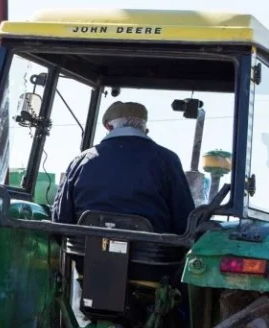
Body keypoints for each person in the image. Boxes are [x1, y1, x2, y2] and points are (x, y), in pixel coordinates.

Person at [52, 101, 195, 235]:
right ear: (144, 126)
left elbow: (60, 218)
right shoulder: (168, 159)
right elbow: (185, 221)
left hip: (81, 254)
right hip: (152, 257)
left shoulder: (81, 160)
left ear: (109, 126)